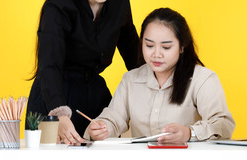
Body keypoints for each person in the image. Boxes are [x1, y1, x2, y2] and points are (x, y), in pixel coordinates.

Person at [26, 0, 143, 144]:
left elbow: (135, 56)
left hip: (95, 97)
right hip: (54, 98)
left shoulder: (119, 1)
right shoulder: (58, 7)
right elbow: (49, 66)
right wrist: (60, 115)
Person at [85, 8, 235, 144]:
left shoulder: (202, 79)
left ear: (182, 46)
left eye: (166, 47)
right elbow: (113, 118)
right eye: (149, 45)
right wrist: (102, 129)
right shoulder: (131, 79)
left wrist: (189, 133)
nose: (156, 54)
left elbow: (223, 124)